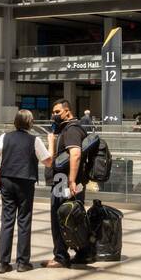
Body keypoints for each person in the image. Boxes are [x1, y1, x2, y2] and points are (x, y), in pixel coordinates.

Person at [0, 109, 50, 273]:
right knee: (24, 220)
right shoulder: (34, 140)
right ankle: (23, 262)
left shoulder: (5, 137)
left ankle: (2, 263)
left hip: (7, 180)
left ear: (15, 122)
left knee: (7, 221)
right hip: (25, 181)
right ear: (30, 123)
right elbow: (48, 162)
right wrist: (52, 144)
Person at [46, 100, 94, 268]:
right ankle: (82, 253)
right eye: (53, 112)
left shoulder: (72, 129)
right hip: (71, 181)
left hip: (64, 181)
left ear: (67, 111)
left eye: (58, 112)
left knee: (58, 216)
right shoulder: (71, 128)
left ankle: (60, 256)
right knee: (75, 216)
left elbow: (75, 155)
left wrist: (72, 180)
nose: (54, 115)